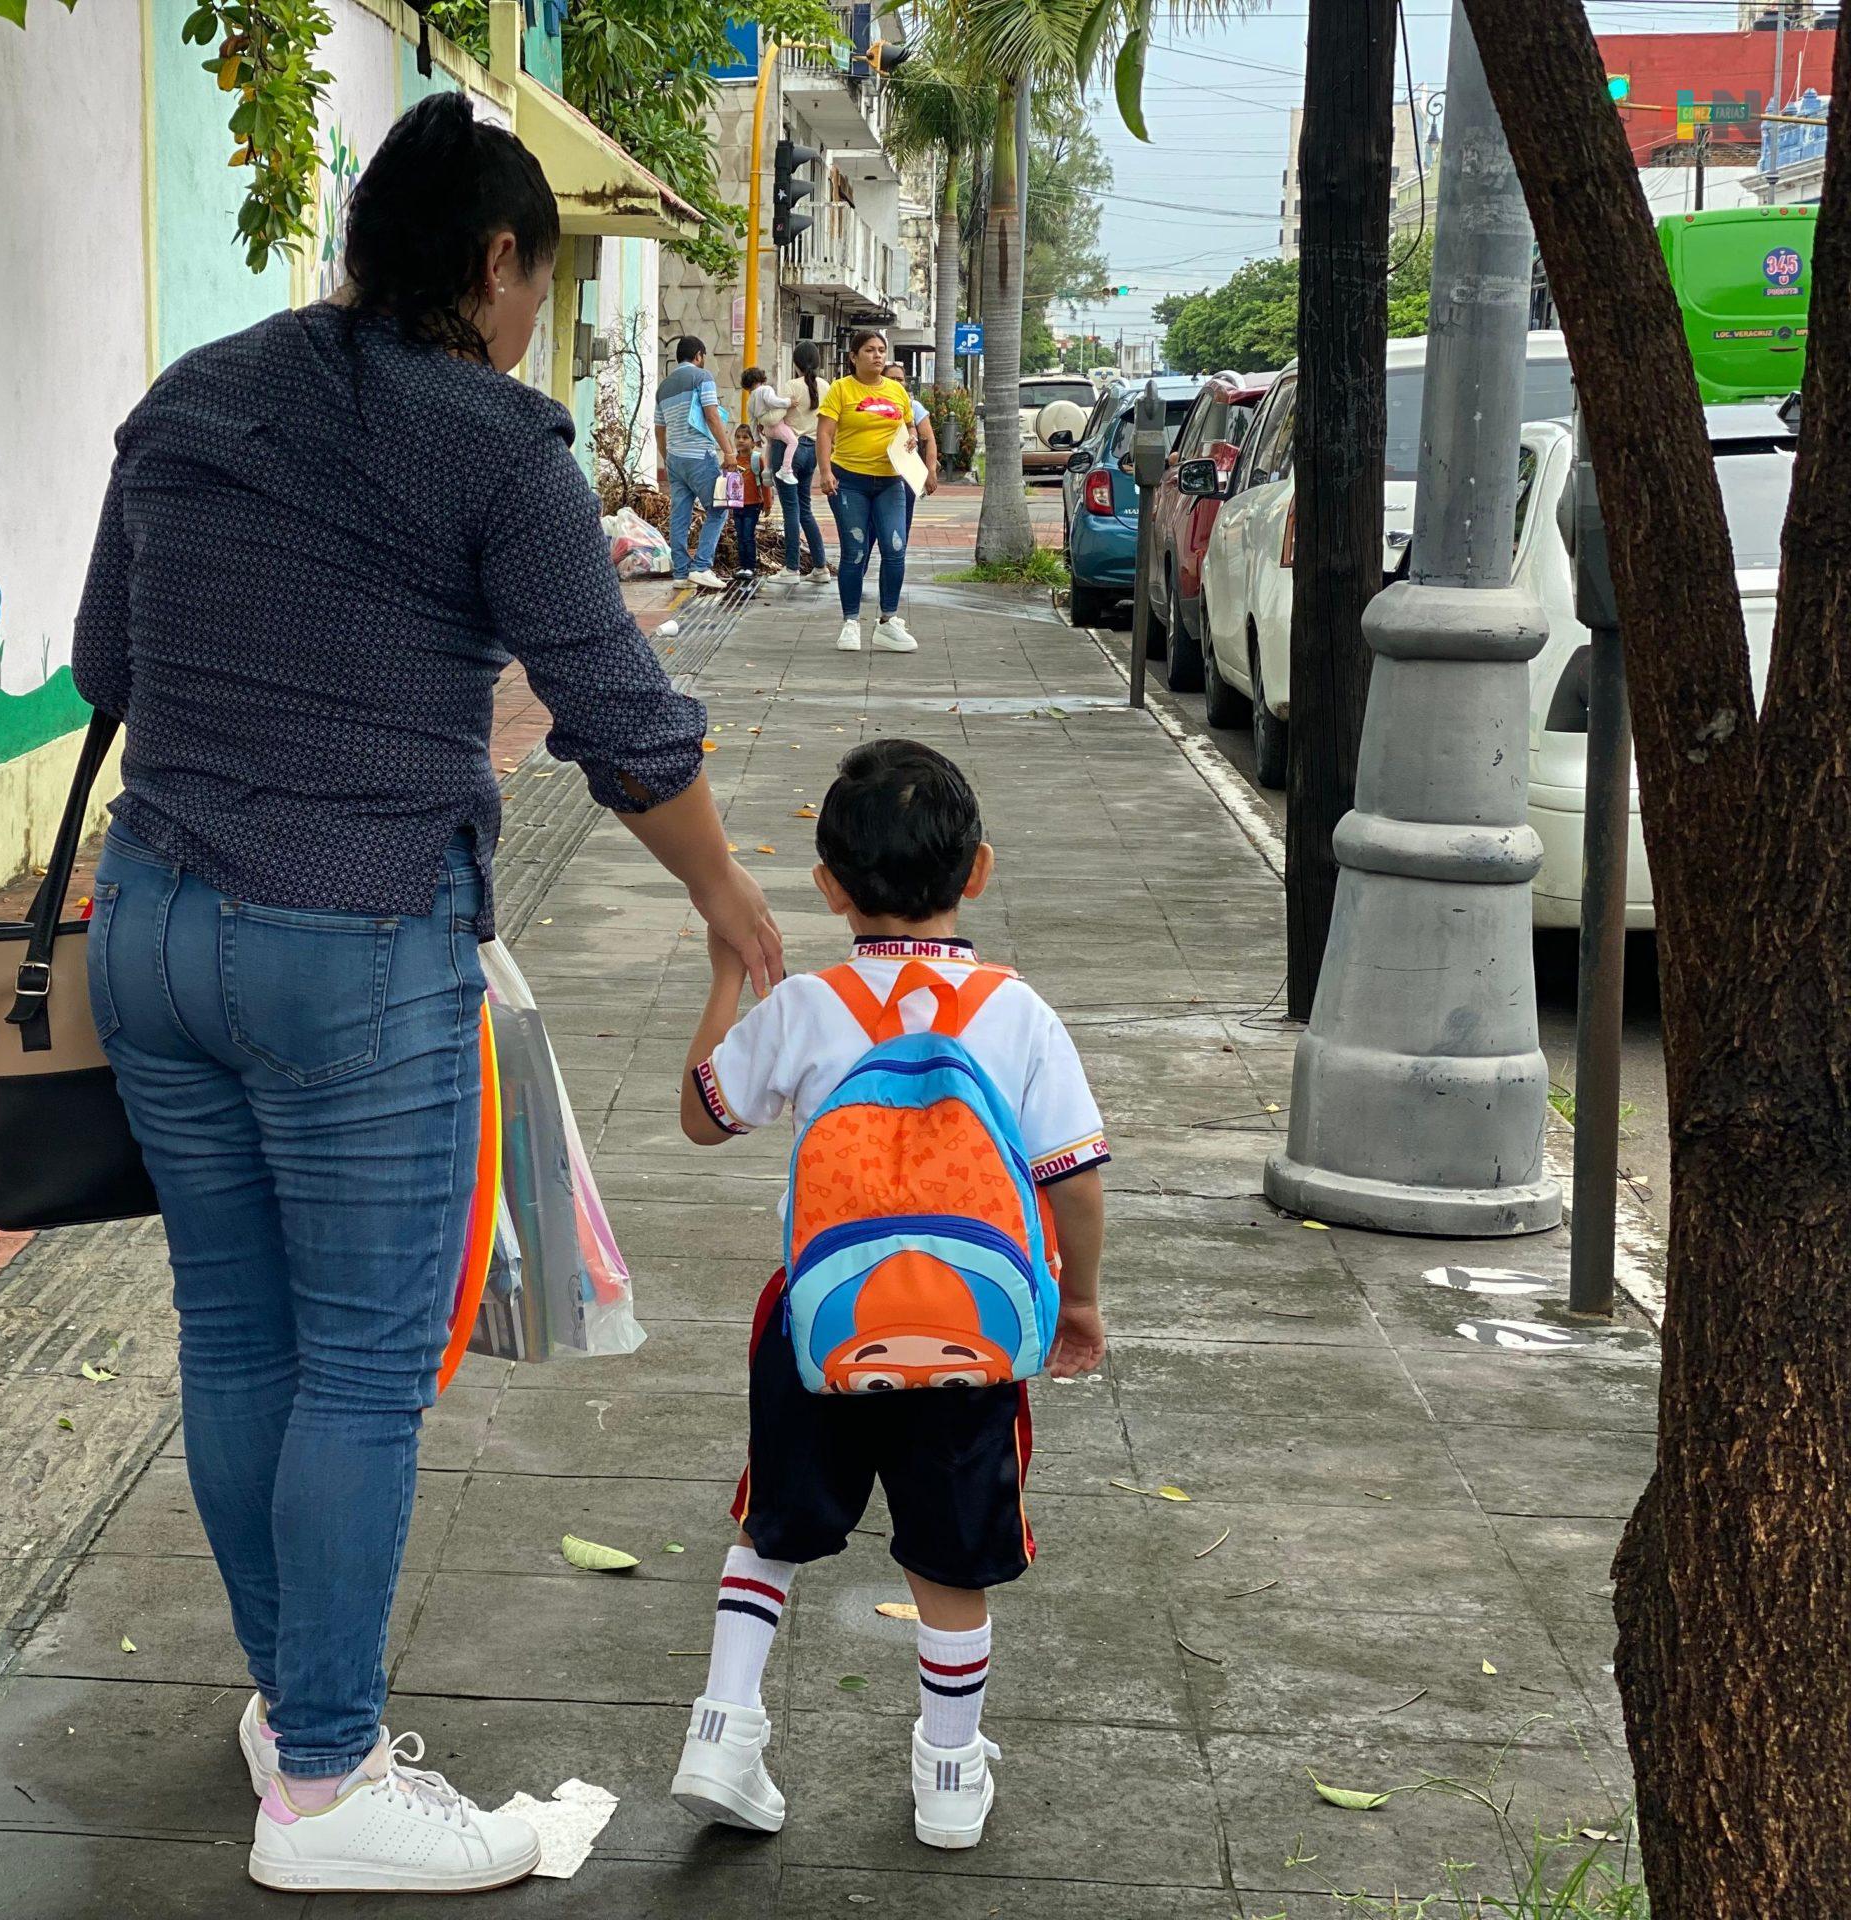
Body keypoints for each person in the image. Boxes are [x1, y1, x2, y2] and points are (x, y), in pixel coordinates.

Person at [70, 91, 784, 1899]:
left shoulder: (190, 398)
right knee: (368, 1370)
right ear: (489, 264)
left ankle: (295, 1716)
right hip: (353, 948)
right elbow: (619, 714)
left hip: (149, 934)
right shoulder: (496, 441)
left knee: (239, 1338)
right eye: (539, 280)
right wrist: (731, 908)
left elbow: (101, 663)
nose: (536, 317)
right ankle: (323, 1779)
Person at [662, 738, 1111, 1852]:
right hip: (970, 1334)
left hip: (819, 1325)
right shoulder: (1016, 1012)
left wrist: (728, 971)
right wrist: (1082, 1303)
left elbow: (703, 1117)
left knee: (771, 1522)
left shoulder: (810, 1007)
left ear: (827, 887)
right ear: (979, 871)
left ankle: (723, 1729)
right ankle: (949, 1774)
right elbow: (1074, 1176)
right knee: (950, 1553)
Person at [816, 329, 934, 653]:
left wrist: (910, 436)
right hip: (849, 481)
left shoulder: (897, 391)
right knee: (854, 551)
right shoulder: (840, 390)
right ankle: (850, 622)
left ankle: (888, 621)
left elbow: (909, 426)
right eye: (869, 350)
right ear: (854, 357)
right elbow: (824, 433)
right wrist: (825, 472)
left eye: (881, 350)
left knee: (895, 548)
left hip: (890, 481)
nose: (878, 355)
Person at [655, 335, 734, 590]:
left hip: (675, 459)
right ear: (699, 355)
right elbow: (712, 415)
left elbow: (659, 429)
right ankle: (701, 566)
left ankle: (680, 572)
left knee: (680, 515)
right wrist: (729, 452)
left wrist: (667, 459)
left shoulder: (663, 387)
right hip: (699, 455)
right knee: (719, 507)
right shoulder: (703, 378)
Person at [778, 341, 830, 580]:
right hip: (813, 452)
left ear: (795, 363)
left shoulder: (791, 386)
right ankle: (820, 567)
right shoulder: (825, 386)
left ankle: (791, 568)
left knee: (790, 509)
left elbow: (776, 415)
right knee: (805, 509)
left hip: (791, 450)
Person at [726, 421, 771, 587]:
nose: (741, 440)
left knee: (748, 535)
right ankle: (743, 565)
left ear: (753, 441)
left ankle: (750, 566)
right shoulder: (733, 459)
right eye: (738, 437)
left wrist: (767, 504)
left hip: (753, 504)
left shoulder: (757, 459)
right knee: (740, 535)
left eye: (745, 437)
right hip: (736, 504)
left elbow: (766, 483)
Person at [743, 363, 797, 489]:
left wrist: (756, 438)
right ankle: (786, 469)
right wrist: (789, 402)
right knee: (793, 442)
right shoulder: (765, 390)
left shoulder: (750, 400)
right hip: (776, 424)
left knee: (770, 445)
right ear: (760, 379)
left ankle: (767, 469)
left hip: (765, 427)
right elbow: (774, 402)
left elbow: (751, 420)